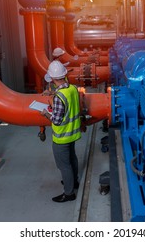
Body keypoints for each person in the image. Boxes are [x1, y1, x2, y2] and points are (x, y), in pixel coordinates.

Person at [41, 61, 81, 203]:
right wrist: (53, 93)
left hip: (62, 137)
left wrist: (46, 113)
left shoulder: (59, 97)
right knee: (72, 159)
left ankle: (69, 193)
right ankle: (73, 182)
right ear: (64, 75)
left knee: (64, 166)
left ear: (52, 78)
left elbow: (56, 120)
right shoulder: (73, 89)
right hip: (72, 133)